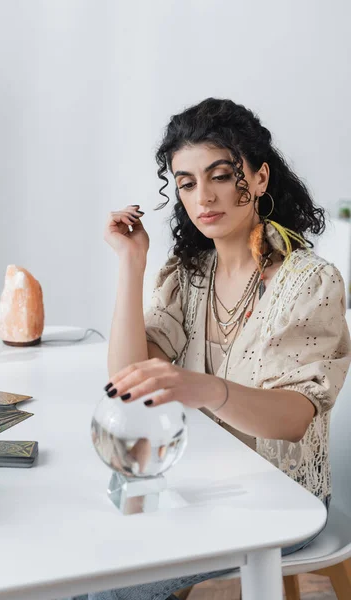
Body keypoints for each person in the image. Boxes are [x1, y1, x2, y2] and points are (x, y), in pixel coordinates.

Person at [78, 98, 351, 600]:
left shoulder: (309, 281)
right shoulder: (189, 275)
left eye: (221, 175)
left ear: (260, 178)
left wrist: (201, 388)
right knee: (80, 562)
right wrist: (131, 263)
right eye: (186, 182)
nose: (203, 195)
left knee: (112, 589)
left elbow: (293, 419)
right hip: (197, 482)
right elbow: (126, 381)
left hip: (284, 499)